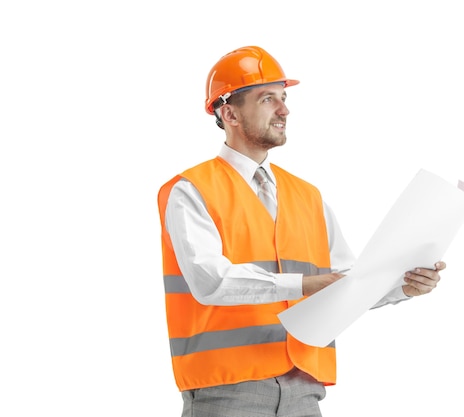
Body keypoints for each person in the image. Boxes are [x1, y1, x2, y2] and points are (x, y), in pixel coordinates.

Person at [157, 45, 446, 417]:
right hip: (227, 389)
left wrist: (401, 286)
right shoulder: (191, 189)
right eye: (267, 99)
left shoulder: (308, 196)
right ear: (228, 113)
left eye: (284, 98)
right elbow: (209, 281)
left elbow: (346, 283)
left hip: (303, 388)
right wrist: (304, 285)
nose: (284, 110)